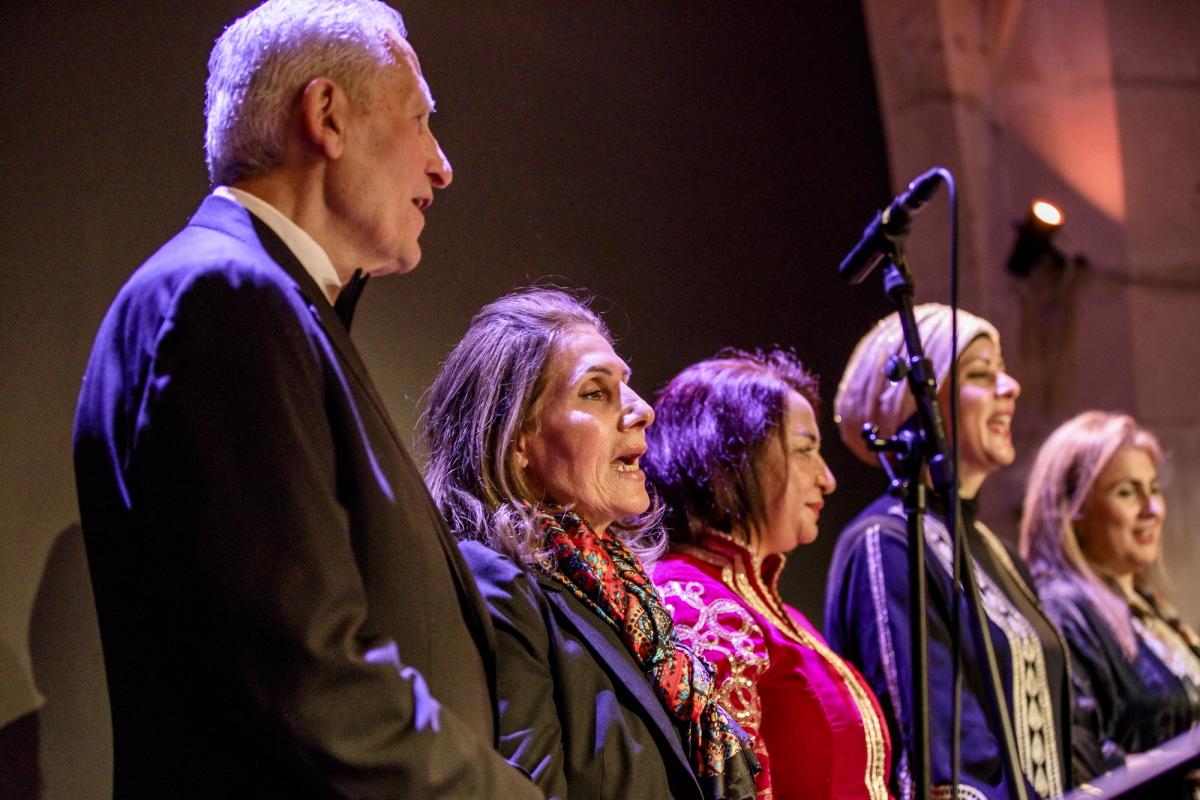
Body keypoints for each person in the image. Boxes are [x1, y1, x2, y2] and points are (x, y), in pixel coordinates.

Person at [72, 2, 540, 797]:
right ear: (326, 116)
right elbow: (306, 679)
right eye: (420, 120)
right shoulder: (225, 297)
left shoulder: (256, 301)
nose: (442, 166)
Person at [422, 287, 759, 800]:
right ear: (517, 439)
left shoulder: (625, 602)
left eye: (626, 385)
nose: (642, 410)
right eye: (595, 392)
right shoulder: (496, 587)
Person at [824, 304, 1073, 799]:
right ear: (915, 408)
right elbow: (937, 752)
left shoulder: (996, 552)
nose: (1011, 387)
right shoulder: (886, 543)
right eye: (980, 373)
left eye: (1003, 371)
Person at [644, 348, 894, 799]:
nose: (827, 479)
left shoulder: (778, 614)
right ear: (732, 458)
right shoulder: (694, 601)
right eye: (805, 451)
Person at [1019, 411, 1200, 779]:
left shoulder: (1147, 608)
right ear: (1073, 510)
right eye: (1126, 492)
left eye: (1154, 489)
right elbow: (1083, 759)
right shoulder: (1061, 611)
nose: (1152, 509)